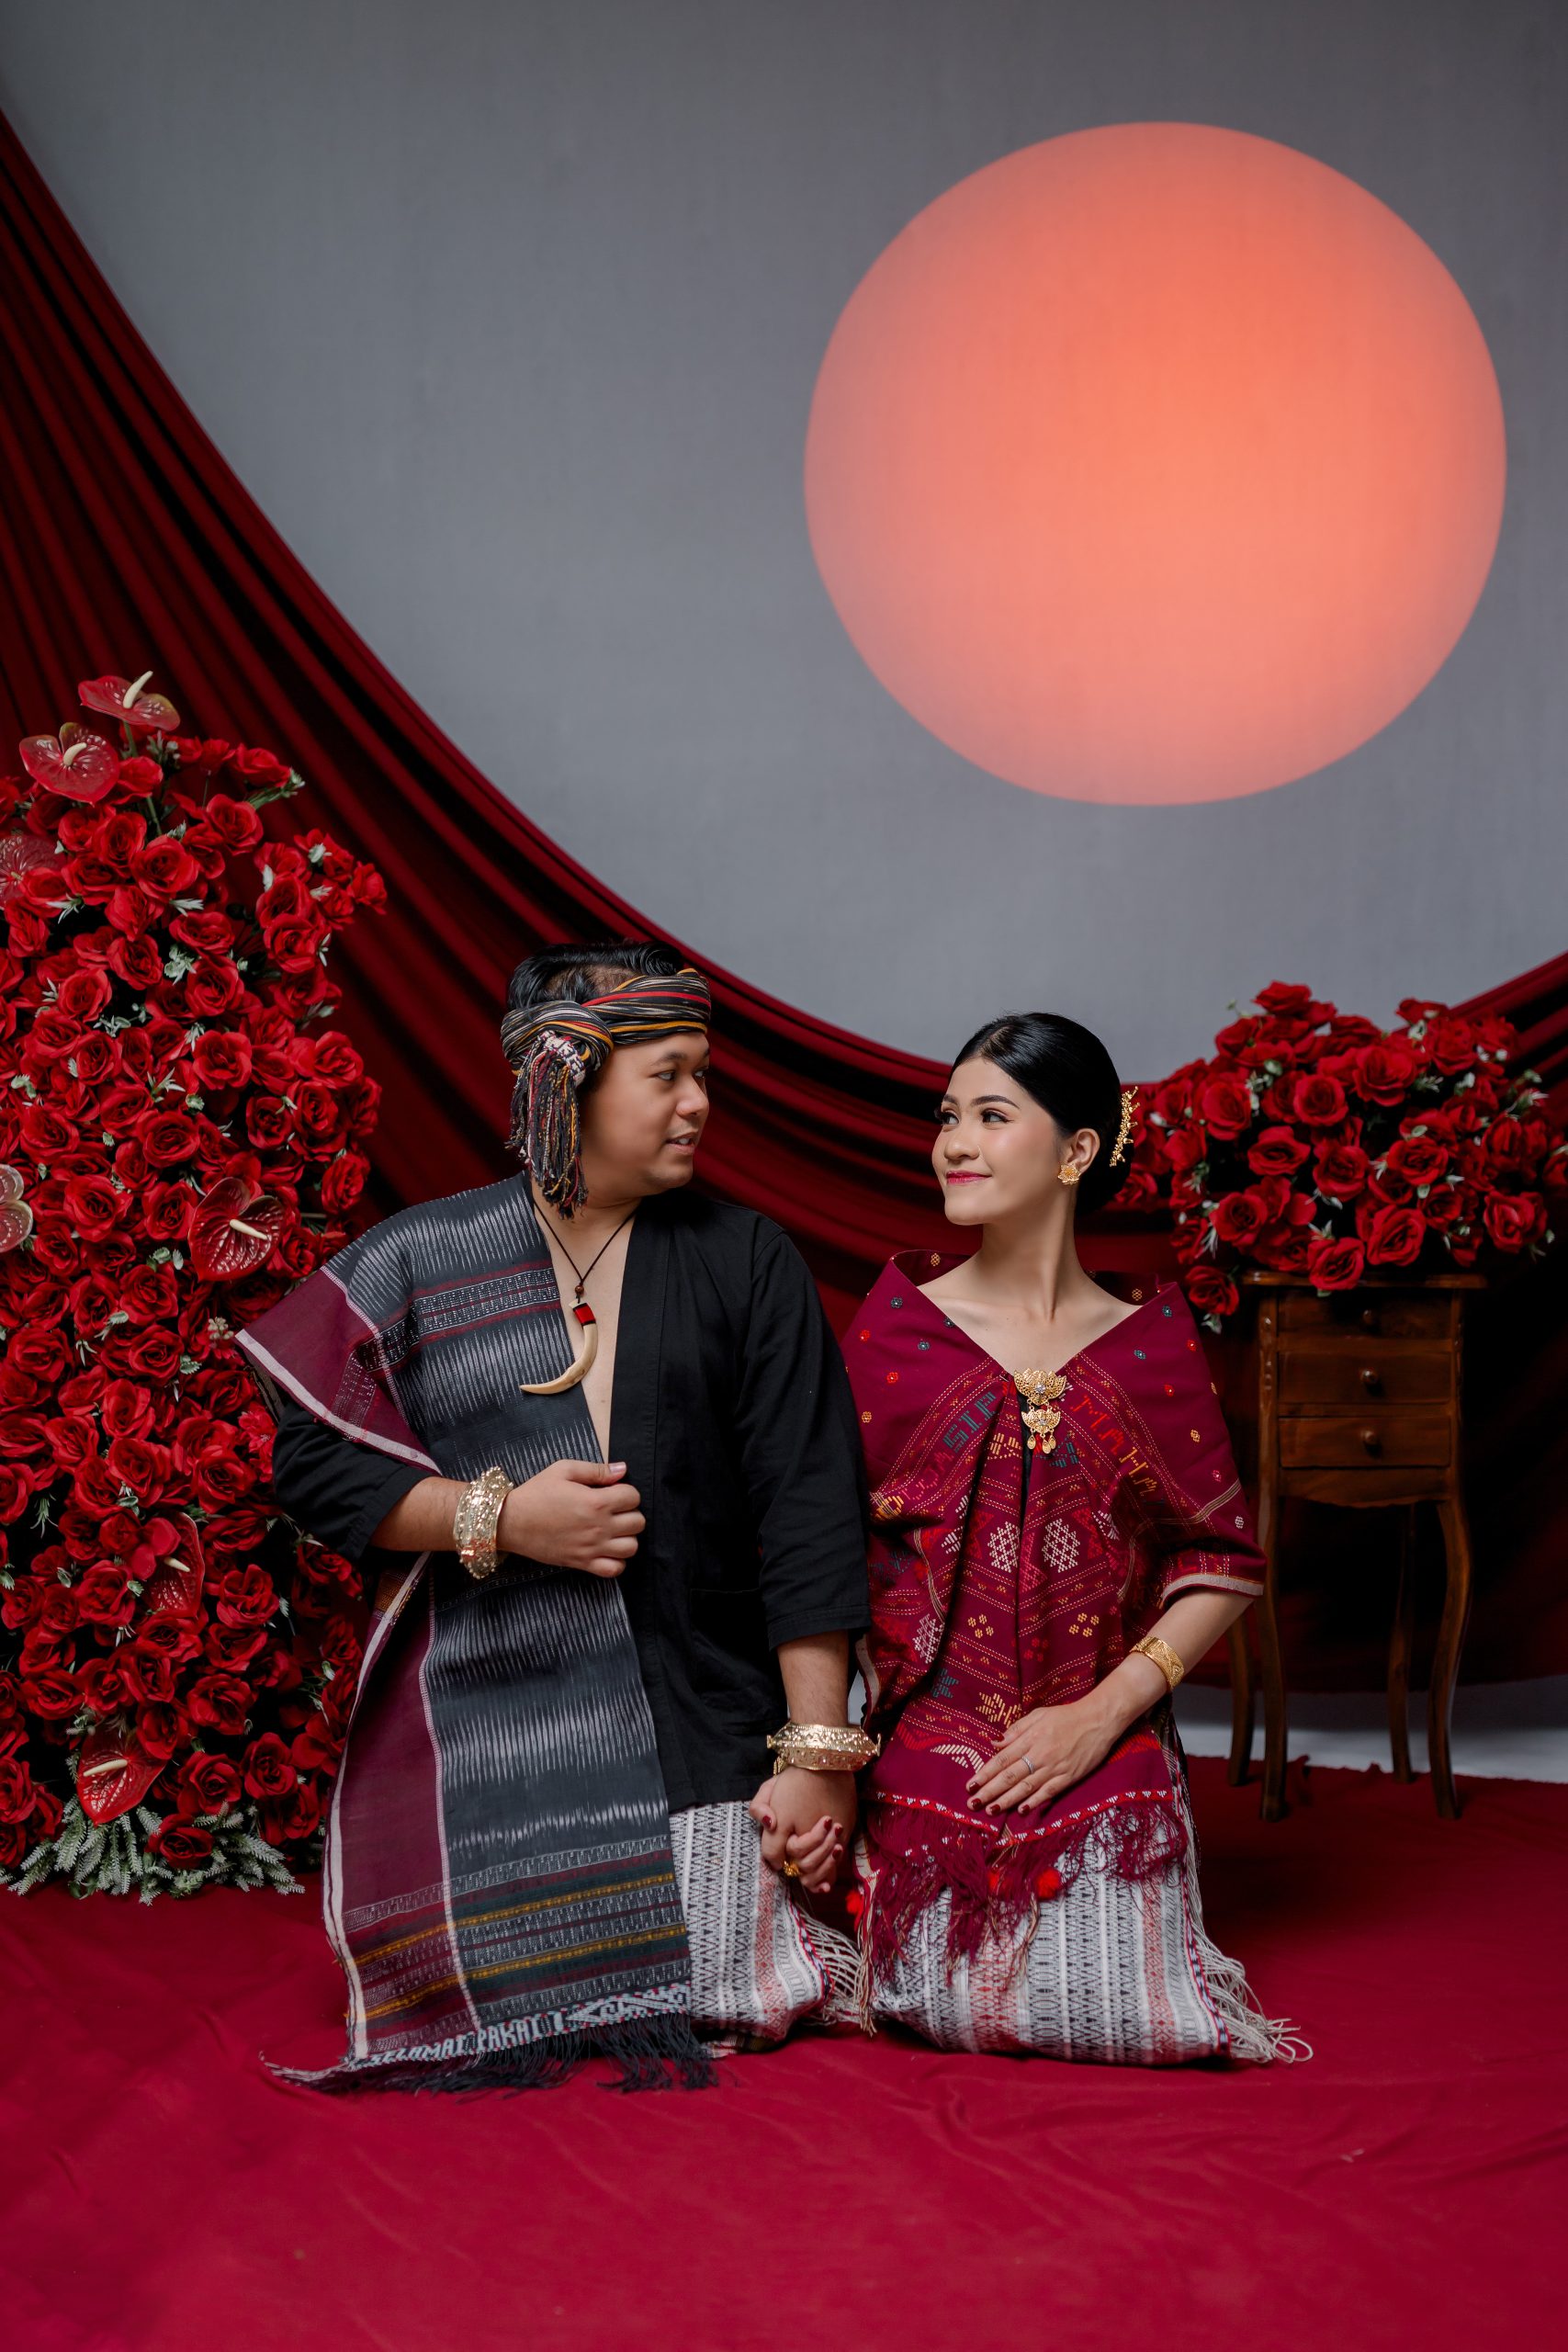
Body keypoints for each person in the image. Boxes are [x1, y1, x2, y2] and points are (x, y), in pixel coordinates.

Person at [237, 941, 873, 2089]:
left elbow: (810, 1508)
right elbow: (313, 1465)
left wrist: (816, 1754)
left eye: (703, 1074)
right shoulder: (427, 1257)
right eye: (668, 1075)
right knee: (489, 1983)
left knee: (722, 1985)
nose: (699, 1104)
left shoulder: (745, 1260)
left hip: (692, 1698)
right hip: (486, 1711)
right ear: (562, 1081)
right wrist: (497, 1517)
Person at [843, 1012, 1291, 2064]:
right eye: (948, 1117)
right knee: (942, 1993)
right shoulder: (898, 1326)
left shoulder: (1149, 1341)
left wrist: (1101, 1717)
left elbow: (1220, 1559)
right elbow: (821, 1542)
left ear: (1078, 1149)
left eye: (991, 1117)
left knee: (1124, 2004)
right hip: (926, 1727)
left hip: (1098, 1721)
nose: (954, 1144)